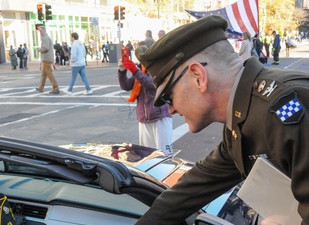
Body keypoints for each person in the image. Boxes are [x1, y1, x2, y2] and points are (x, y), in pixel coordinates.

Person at [134, 15, 309, 225]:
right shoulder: (245, 115)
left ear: (198, 77)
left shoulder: (282, 109)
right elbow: (193, 188)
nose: (170, 109)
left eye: (168, 97)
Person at [118, 47, 173, 156]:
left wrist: (135, 70)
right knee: (147, 156)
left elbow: (151, 84)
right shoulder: (140, 69)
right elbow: (126, 85)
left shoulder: (158, 68)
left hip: (160, 117)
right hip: (144, 119)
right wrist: (122, 71)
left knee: (164, 155)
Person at [36, 26, 60, 94]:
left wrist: (39, 50)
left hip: (47, 58)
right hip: (47, 58)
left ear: (44, 31)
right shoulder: (46, 38)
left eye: (41, 31)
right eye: (39, 31)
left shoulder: (46, 38)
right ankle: (41, 87)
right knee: (44, 74)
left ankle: (56, 88)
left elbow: (45, 48)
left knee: (49, 74)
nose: (40, 32)